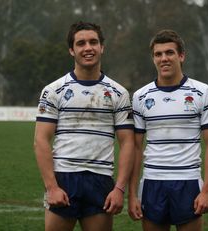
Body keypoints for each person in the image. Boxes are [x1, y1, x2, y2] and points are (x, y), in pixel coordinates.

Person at [33, 21, 134, 231]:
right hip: (64, 178)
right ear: (72, 50)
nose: (88, 47)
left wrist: (119, 189)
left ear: (102, 47)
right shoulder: (53, 91)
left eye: (93, 42)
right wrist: (52, 187)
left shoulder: (118, 93)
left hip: (100, 180)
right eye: (81, 43)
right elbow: (41, 140)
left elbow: (127, 143)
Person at [128, 29, 208, 231]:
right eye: (158, 54)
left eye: (169, 52)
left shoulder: (202, 92)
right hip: (152, 182)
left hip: (188, 182)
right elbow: (135, 148)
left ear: (181, 56)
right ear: (153, 58)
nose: (164, 58)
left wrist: (207, 191)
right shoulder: (140, 97)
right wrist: (132, 194)